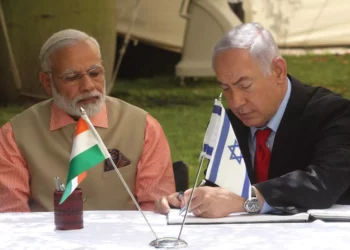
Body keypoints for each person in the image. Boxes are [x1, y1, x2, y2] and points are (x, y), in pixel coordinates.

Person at [155, 22, 350, 218]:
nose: (236, 102)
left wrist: (248, 200)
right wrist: (191, 198)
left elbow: (324, 182)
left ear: (278, 71)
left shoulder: (333, 113)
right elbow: (221, 188)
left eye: (245, 85)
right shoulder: (229, 123)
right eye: (226, 88)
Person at [0, 29, 175, 212]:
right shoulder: (14, 135)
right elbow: (11, 218)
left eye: (94, 73)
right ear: (46, 82)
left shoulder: (144, 128)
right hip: (46, 239)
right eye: (72, 77)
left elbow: (157, 211)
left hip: (124, 239)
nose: (88, 86)